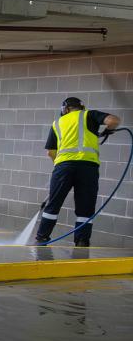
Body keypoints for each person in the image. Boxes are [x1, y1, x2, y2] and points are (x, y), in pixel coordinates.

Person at [35, 96, 121, 247]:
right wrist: (108, 131)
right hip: (88, 168)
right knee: (85, 206)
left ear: (65, 109)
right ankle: (82, 241)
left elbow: (50, 152)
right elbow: (113, 121)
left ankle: (42, 237)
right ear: (81, 107)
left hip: (63, 167)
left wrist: (61, 165)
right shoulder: (90, 115)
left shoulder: (57, 123)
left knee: (53, 204)